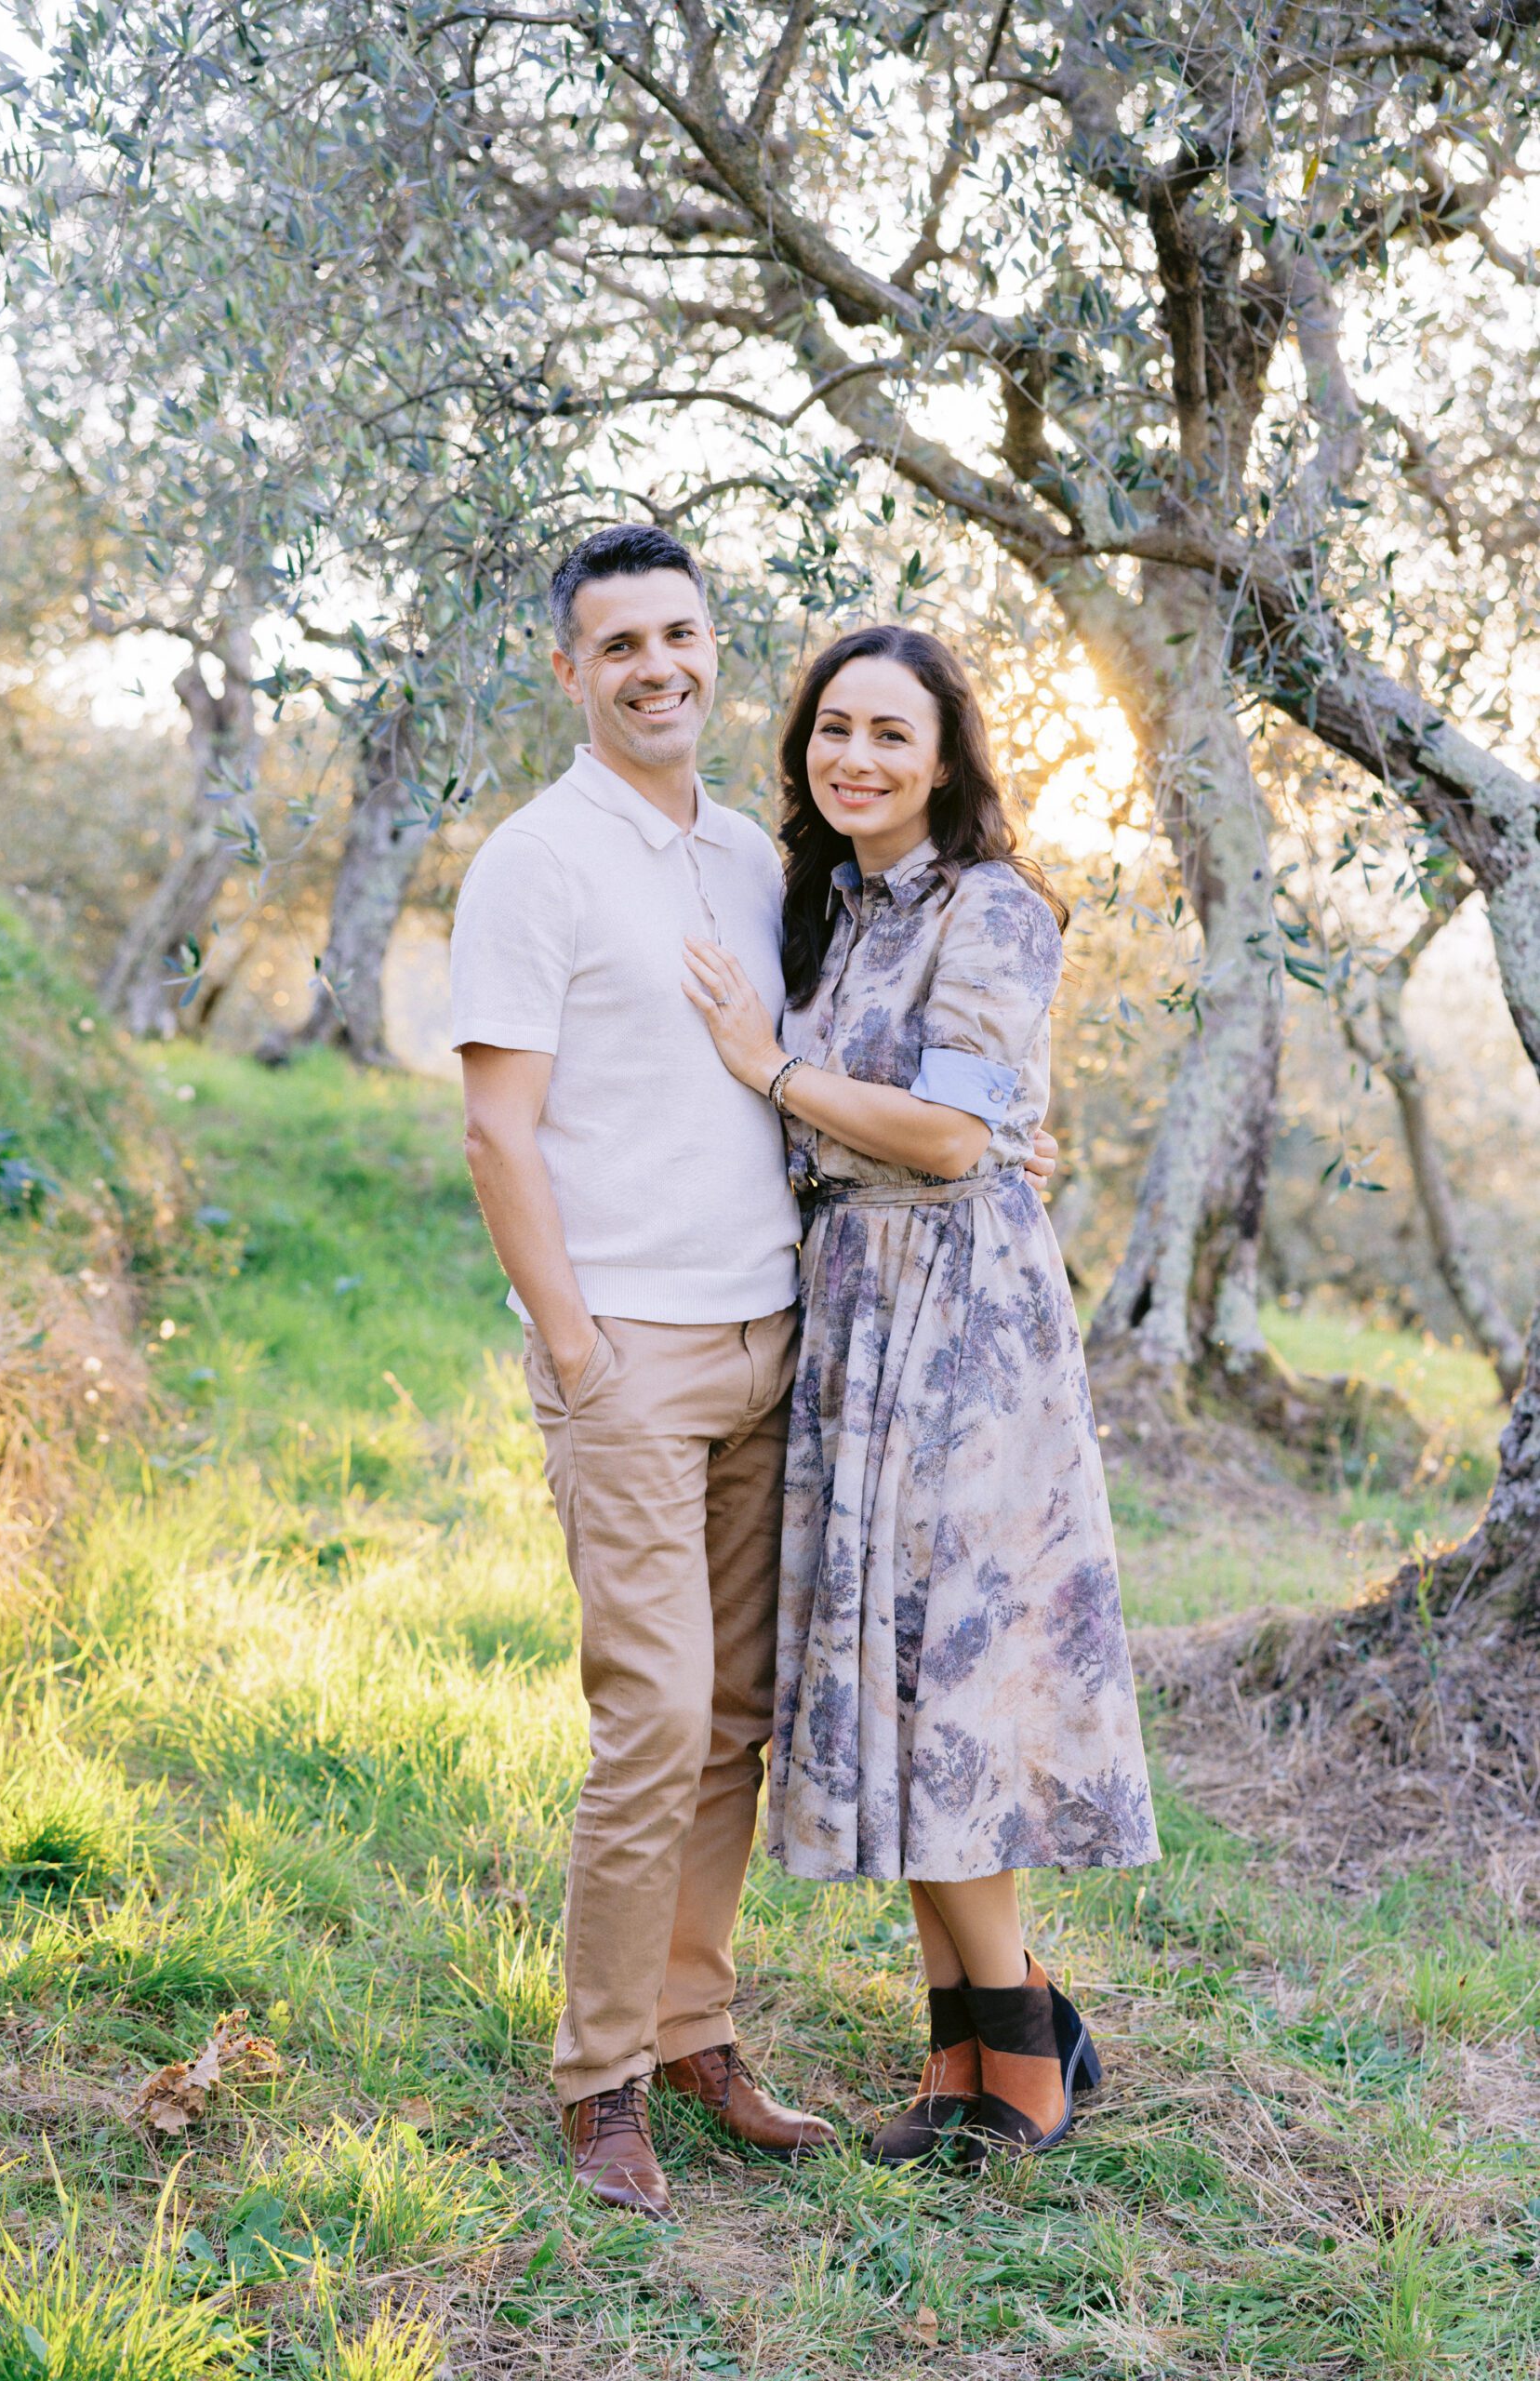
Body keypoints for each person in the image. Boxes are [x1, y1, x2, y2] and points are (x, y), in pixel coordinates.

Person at [451, 527, 1059, 2219]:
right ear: (569, 671)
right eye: (617, 642)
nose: (656, 665)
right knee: (647, 1721)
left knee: (728, 1724)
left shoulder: (751, 860)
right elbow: (500, 1128)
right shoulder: (533, 861)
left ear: (716, 654)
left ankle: (694, 2030)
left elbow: (892, 1079)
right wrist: (573, 1347)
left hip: (781, 1342)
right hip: (629, 1349)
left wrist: (993, 1142)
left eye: (681, 635)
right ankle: (599, 2086)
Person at [684, 622, 1158, 2171]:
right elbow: (914, 1118)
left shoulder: (999, 905)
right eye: (833, 729)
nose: (857, 759)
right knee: (892, 1681)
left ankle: (1020, 2055)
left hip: (959, 1330)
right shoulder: (827, 906)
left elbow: (953, 1138)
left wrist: (772, 1073)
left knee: (948, 1689)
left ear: (946, 755)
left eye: (892, 733)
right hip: (852, 1321)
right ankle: (970, 2049)